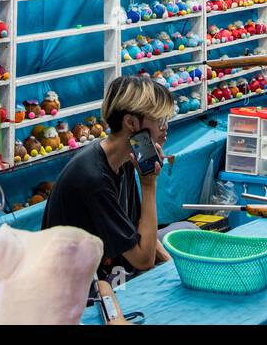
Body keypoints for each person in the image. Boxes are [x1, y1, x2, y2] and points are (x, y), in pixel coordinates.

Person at [41, 76, 174, 281]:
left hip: (109, 260)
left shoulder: (126, 157)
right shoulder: (94, 179)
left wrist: (172, 266)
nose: (165, 128)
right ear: (130, 122)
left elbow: (138, 227)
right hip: (73, 283)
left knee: (186, 232)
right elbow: (143, 259)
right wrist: (149, 185)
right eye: (160, 120)